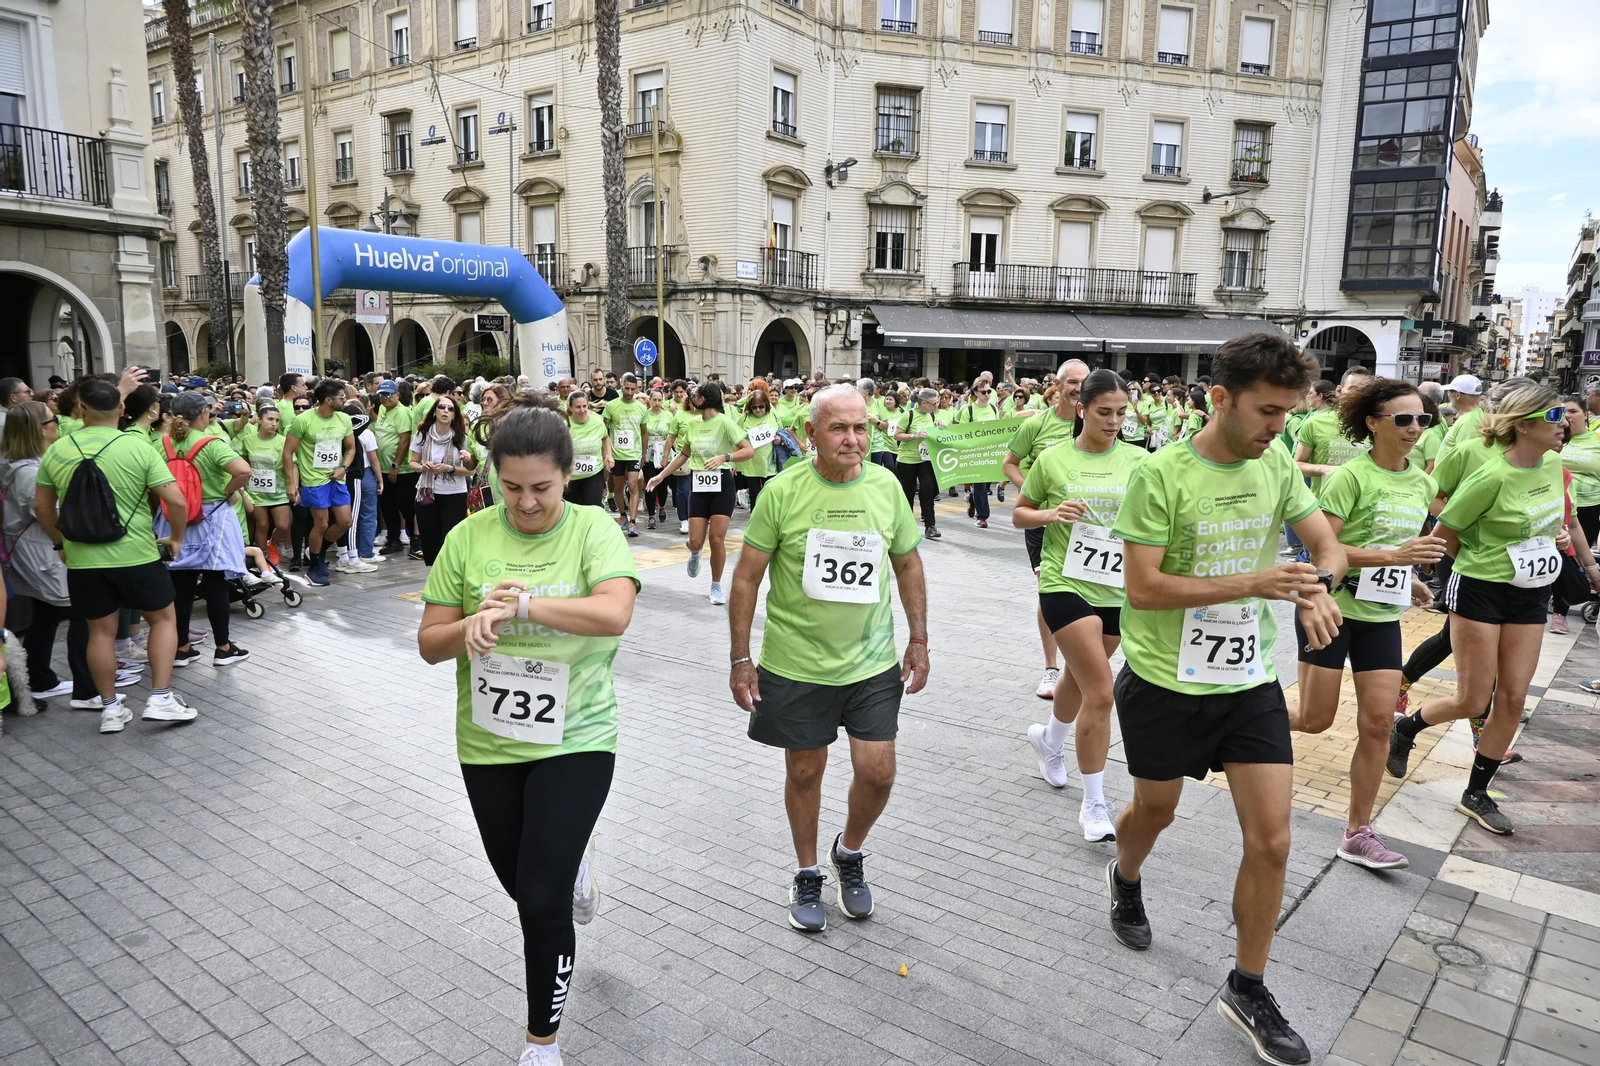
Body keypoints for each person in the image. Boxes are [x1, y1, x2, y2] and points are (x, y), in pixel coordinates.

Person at [1107, 333, 1346, 1066]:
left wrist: (1314, 586)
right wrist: (1254, 583)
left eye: (1289, 414)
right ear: (1220, 398)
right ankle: (1126, 876)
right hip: (1162, 682)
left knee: (1273, 839)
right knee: (1157, 810)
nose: (1280, 428)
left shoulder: (1276, 461)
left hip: (1246, 683)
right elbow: (1142, 587)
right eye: (1268, 412)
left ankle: (1248, 986)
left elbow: (1327, 547)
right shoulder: (1162, 474)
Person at [416, 399, 639, 1066]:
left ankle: (541, 1043)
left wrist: (526, 606)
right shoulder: (469, 537)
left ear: (567, 475)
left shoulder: (594, 528)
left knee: (539, 902)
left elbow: (614, 613)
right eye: (512, 488)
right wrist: (471, 627)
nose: (528, 503)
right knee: (525, 885)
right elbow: (430, 643)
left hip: (577, 735)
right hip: (490, 742)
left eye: (541, 487)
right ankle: (571, 864)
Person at [727, 384, 929, 932]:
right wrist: (741, 658)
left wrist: (919, 640)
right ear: (811, 434)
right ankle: (807, 870)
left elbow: (909, 566)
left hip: (870, 662)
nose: (853, 439)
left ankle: (850, 852)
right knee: (805, 769)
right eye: (839, 428)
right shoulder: (782, 491)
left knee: (878, 772)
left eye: (860, 427)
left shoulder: (886, 486)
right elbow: (746, 577)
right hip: (796, 664)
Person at [1387, 381, 1600, 836]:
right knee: (1473, 698)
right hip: (1480, 588)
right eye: (1555, 417)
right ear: (1524, 425)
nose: (1564, 427)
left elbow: (1559, 519)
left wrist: (1559, 539)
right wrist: (1412, 577)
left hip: (1530, 592)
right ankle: (1406, 728)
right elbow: (1444, 535)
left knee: (1513, 697)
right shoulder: (1491, 476)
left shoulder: (1555, 464)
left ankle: (1476, 793)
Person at [1285, 378, 1442, 872]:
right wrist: (1393, 557)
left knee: (1377, 724)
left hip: (1381, 617)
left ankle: (1357, 832)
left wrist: (1405, 577)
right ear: (1373, 423)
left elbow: (1394, 549)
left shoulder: (1422, 482)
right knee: (1315, 720)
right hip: (1330, 609)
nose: (1415, 428)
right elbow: (1323, 550)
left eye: (1422, 419)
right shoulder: (1349, 477)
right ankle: (1238, 718)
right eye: (1403, 419)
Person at [1014, 370, 1145, 842]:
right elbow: (1020, 513)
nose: (1113, 422)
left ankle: (1050, 740)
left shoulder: (1140, 459)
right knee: (1101, 691)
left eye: (1121, 414)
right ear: (1082, 408)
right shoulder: (1053, 459)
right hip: (1064, 580)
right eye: (1105, 412)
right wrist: (1051, 513)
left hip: (1117, 586)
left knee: (1078, 674)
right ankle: (1095, 804)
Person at [34, 377, 194, 733]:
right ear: (122, 409)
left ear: (80, 409)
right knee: (163, 620)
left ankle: (109, 709)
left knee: (100, 633)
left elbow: (43, 508)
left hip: (83, 560)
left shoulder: (58, 449)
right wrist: (176, 538)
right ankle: (161, 697)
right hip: (136, 553)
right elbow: (176, 501)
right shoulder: (137, 448)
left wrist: (60, 543)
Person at [1002, 359, 1090, 701]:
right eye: (1073, 382)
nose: (1078, 389)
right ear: (1058, 383)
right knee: (1049, 589)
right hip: (1043, 520)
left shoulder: (1093, 424)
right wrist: (1033, 490)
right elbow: (1008, 463)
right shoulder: (1036, 425)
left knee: (1085, 588)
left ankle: (1079, 663)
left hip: (1085, 524)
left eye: (1085, 382)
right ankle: (1052, 668)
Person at [2, 401, 96, 704]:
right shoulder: (29, 472)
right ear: (39, 430)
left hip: (38, 550)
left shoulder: (23, 465)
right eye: (52, 419)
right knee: (81, 611)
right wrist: (64, 544)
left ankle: (41, 677)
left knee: (48, 613)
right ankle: (86, 687)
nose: (57, 422)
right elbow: (49, 513)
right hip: (43, 552)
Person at [157, 391, 253, 668]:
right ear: (203, 413)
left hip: (173, 518)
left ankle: (181, 646)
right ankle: (223, 647)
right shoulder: (211, 443)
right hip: (211, 517)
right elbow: (243, 470)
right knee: (215, 584)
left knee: (181, 585)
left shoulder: (160, 444)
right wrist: (227, 491)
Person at [645, 382, 753, 605]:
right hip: (699, 484)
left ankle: (716, 586)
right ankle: (694, 553)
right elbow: (683, 455)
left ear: (706, 399)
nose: (692, 396)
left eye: (697, 394)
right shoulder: (693, 424)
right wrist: (661, 476)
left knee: (716, 540)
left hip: (722, 485)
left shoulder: (725, 423)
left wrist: (725, 458)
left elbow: (748, 450)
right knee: (695, 541)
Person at [283, 379, 356, 587]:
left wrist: (344, 467)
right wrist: (291, 482)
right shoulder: (303, 421)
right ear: (328, 399)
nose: (345, 400)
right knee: (321, 523)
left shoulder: (344, 419)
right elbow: (287, 452)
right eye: (341, 397)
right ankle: (314, 566)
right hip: (314, 480)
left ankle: (316, 551)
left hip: (337, 478)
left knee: (345, 521)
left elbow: (350, 448)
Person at [409, 391, 477, 567]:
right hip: (428, 493)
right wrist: (424, 467)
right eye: (441, 407)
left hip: (454, 494)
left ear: (455, 415)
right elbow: (412, 463)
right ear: (434, 411)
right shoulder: (422, 435)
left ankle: (449, 575)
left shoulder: (461, 438)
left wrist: (451, 467)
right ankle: (435, 576)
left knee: (450, 539)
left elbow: (470, 471)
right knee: (430, 540)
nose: (445, 411)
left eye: (450, 408)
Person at [238, 402, 292, 567]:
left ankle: (273, 543)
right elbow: (244, 462)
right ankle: (263, 559)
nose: (274, 423)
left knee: (283, 525)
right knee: (262, 525)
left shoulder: (283, 441)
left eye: (277, 420)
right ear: (259, 420)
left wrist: (293, 485)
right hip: (256, 491)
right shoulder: (248, 440)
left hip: (279, 490)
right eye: (270, 419)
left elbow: (292, 465)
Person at [601, 374, 648, 536]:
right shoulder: (611, 406)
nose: (629, 392)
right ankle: (622, 515)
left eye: (632, 389)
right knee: (618, 487)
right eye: (626, 388)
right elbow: (604, 431)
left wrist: (643, 454)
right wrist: (606, 453)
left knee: (634, 485)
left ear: (636, 388)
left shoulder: (642, 408)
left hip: (633, 453)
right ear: (621, 385)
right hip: (616, 454)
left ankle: (633, 522)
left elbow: (644, 432)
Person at [892, 388, 942, 540]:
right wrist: (914, 435)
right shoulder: (909, 415)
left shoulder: (932, 415)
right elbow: (897, 435)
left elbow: (933, 435)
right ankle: (905, 526)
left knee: (927, 490)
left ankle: (930, 526)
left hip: (925, 459)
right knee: (907, 493)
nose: (936, 406)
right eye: (934, 403)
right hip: (907, 459)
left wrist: (940, 428)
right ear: (924, 403)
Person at [374, 380, 415, 555]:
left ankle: (416, 539)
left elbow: (404, 440)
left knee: (406, 507)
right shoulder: (383, 409)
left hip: (402, 470)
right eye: (382, 394)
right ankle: (393, 540)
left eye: (388, 394)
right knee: (388, 506)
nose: (385, 398)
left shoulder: (402, 412)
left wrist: (395, 465)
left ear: (397, 394)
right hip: (383, 469)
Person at [960, 380, 1000, 528]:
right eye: (983, 392)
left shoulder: (994, 409)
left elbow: (997, 429)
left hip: (989, 452)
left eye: (989, 391)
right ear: (975, 393)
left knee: (985, 485)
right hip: (974, 452)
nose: (987, 394)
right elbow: (962, 431)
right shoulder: (968, 410)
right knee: (980, 484)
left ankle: (972, 498)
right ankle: (982, 516)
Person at [735, 382, 780, 514]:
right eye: (755, 407)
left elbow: (782, 431)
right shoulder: (744, 418)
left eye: (761, 406)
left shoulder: (773, 415)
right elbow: (736, 438)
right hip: (751, 463)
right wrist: (734, 461)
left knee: (770, 493)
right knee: (754, 495)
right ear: (750, 408)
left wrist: (779, 438)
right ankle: (755, 521)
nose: (759, 410)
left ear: (766, 405)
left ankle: (770, 520)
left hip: (770, 462)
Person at [562, 391, 610, 508]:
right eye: (578, 407)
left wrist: (608, 455)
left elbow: (605, 437)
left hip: (594, 473)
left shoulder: (597, 420)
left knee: (593, 508)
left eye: (585, 406)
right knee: (573, 511)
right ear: (570, 407)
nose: (582, 410)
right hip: (571, 477)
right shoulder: (564, 425)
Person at [641, 388, 673, 530]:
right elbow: (642, 434)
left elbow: (672, 435)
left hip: (664, 453)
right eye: (654, 399)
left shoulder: (668, 416)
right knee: (650, 485)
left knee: (663, 484)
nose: (657, 402)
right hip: (649, 454)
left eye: (660, 399)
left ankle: (662, 506)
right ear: (650, 400)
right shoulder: (645, 415)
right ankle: (651, 516)